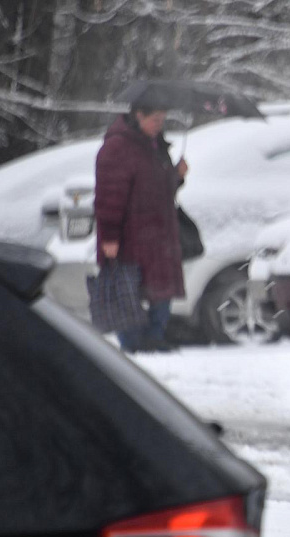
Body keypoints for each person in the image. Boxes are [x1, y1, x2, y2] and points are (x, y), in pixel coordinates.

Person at [93, 98, 188, 353]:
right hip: (130, 235)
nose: (159, 125)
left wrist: (177, 176)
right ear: (138, 115)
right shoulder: (118, 148)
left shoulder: (156, 146)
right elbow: (109, 197)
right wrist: (109, 237)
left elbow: (162, 189)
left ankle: (155, 337)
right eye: (155, 120)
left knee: (160, 289)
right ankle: (132, 342)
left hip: (159, 234)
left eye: (162, 120)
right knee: (127, 289)